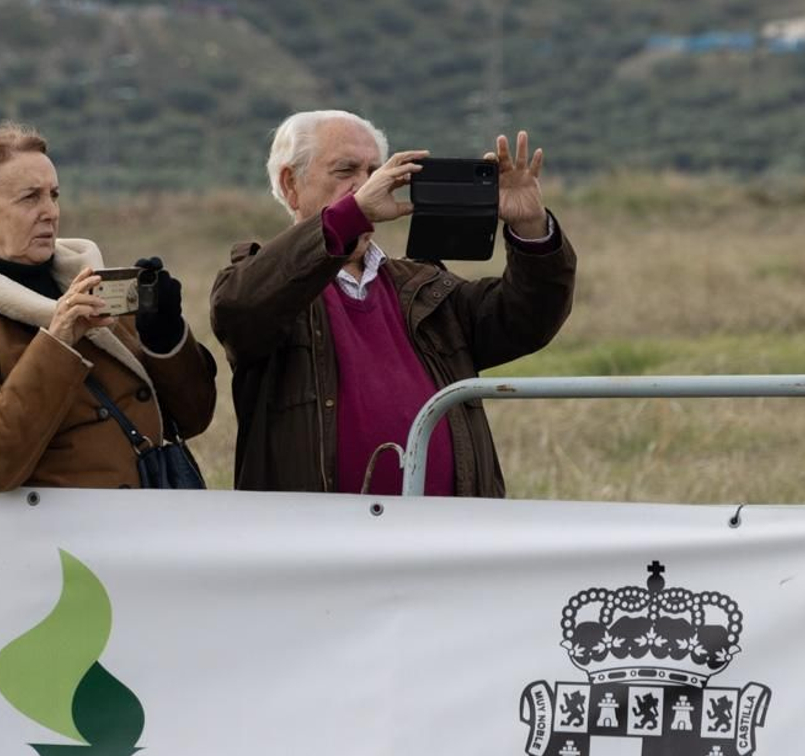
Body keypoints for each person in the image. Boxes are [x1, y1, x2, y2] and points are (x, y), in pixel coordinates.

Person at [210, 110, 576, 496]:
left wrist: (531, 227)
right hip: (319, 545)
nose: (365, 185)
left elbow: (528, 320)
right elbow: (239, 310)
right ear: (290, 184)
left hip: (447, 540)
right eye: (345, 170)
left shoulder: (422, 288)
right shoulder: (265, 285)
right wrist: (348, 218)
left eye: (373, 171)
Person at [0, 123, 217, 491]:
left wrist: (164, 335)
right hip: (52, 545)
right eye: (29, 198)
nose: (50, 212)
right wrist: (56, 343)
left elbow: (192, 420)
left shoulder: (89, 289)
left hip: (139, 534)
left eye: (54, 195)